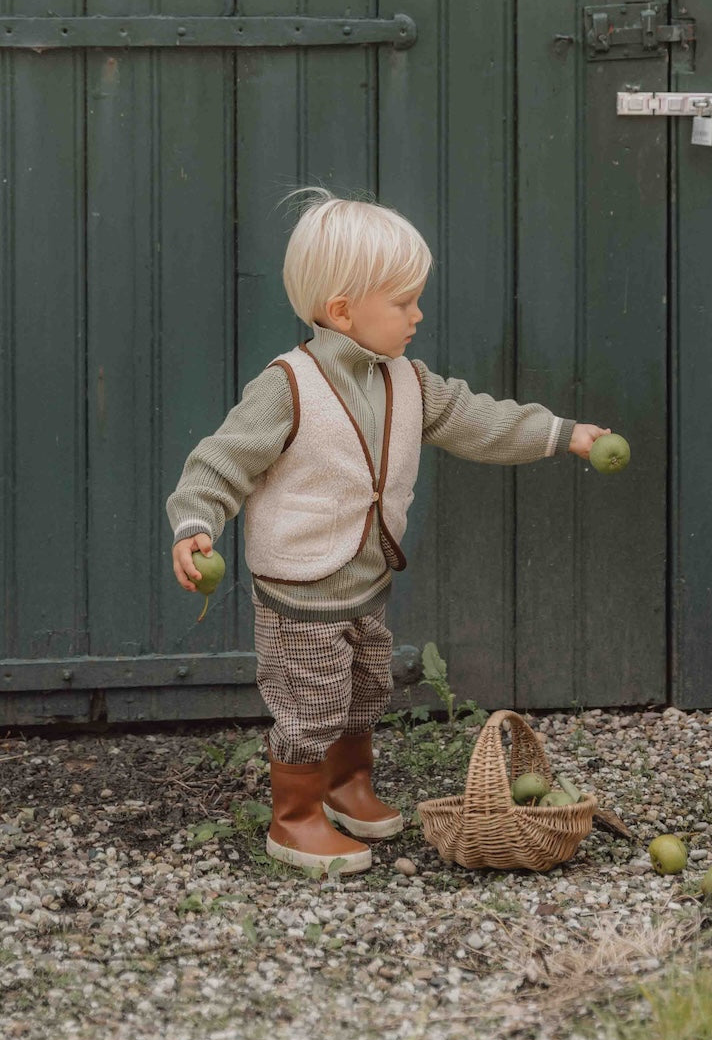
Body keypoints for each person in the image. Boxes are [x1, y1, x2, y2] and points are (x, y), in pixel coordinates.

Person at [167, 189, 609, 875]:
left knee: (366, 688)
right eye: (402, 302)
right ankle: (296, 819)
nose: (417, 314)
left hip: (366, 581)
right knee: (311, 702)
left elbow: (478, 420)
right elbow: (222, 461)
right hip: (300, 591)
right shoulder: (289, 386)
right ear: (343, 311)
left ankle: (346, 787)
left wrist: (562, 434)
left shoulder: (409, 381)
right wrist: (195, 522)